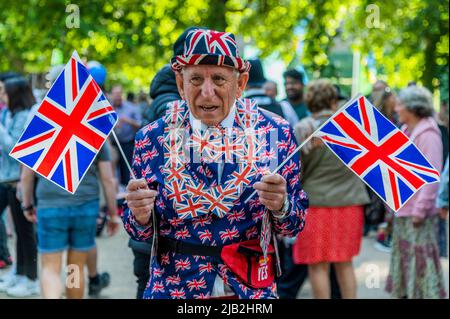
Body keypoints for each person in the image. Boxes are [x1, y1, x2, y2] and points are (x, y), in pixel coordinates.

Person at [122, 28, 308, 299]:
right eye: (196, 79)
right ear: (180, 82)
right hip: (175, 288)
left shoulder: (275, 133)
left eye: (219, 79)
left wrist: (281, 205)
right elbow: (137, 231)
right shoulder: (152, 138)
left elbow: (294, 224)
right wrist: (139, 215)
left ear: (240, 83)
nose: (207, 93)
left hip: (249, 289)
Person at [292, 79, 370, 299]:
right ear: (333, 100)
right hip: (350, 203)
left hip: (316, 204)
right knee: (345, 264)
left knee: (318, 266)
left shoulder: (304, 128)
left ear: (309, 101)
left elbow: (296, 171)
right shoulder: (351, 129)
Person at [20, 141, 120, 299]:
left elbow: (26, 177)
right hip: (85, 207)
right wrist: (113, 214)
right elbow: (108, 179)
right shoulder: (94, 127)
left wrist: (27, 205)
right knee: (75, 266)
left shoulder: (41, 125)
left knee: (50, 268)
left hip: (50, 206)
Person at [385, 85, 446, 299]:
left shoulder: (428, 133)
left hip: (417, 215)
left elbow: (432, 176)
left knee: (421, 266)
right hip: (403, 211)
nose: (396, 107)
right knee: (406, 263)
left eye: (400, 104)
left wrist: (419, 211)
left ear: (412, 108)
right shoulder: (406, 130)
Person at [0, 76, 39, 297]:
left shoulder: (26, 116)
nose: (2, 96)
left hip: (18, 180)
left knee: (25, 232)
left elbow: (16, 149)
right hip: (7, 179)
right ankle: (20, 271)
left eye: (4, 92)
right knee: (18, 230)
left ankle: (31, 277)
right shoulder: (10, 114)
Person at [111, 85, 142, 186]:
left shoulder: (131, 107)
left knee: (127, 168)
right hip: (113, 144)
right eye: (115, 95)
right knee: (114, 169)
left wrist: (127, 120)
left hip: (128, 143)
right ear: (112, 95)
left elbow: (140, 124)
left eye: (119, 94)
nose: (117, 97)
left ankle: (128, 189)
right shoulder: (108, 108)